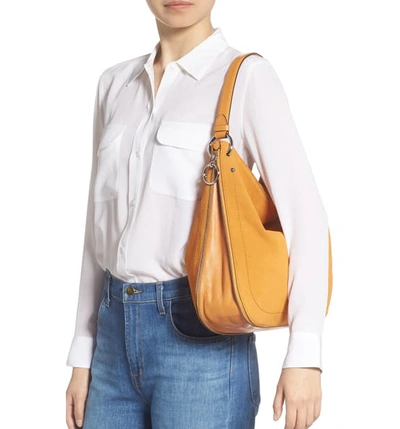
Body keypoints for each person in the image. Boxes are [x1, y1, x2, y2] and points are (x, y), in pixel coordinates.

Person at [65, 1, 330, 428]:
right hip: (111, 341)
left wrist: (304, 355)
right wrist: (83, 350)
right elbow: (96, 231)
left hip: (202, 339)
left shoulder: (246, 77)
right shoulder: (114, 84)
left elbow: (306, 219)